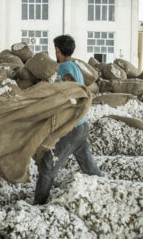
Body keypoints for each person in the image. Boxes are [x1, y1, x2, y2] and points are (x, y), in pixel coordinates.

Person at [34, 35, 102, 205]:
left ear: (57, 49)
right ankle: (106, 189)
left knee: (48, 163)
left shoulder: (64, 67)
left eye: (55, 49)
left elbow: (71, 83)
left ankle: (38, 205)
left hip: (72, 128)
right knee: (90, 168)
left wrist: (68, 91)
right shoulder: (75, 65)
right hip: (81, 125)